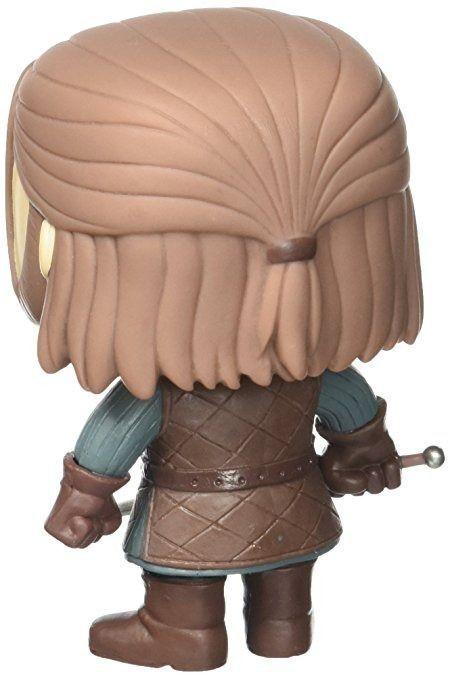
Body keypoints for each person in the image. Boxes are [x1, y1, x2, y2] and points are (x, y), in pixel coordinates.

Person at [6, 8, 422, 670]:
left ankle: (182, 632)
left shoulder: (158, 394)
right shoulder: (318, 377)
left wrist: (83, 498)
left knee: (184, 578)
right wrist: (364, 451)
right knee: (286, 581)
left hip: (188, 517)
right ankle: (283, 627)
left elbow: (109, 441)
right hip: (295, 506)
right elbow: (353, 412)